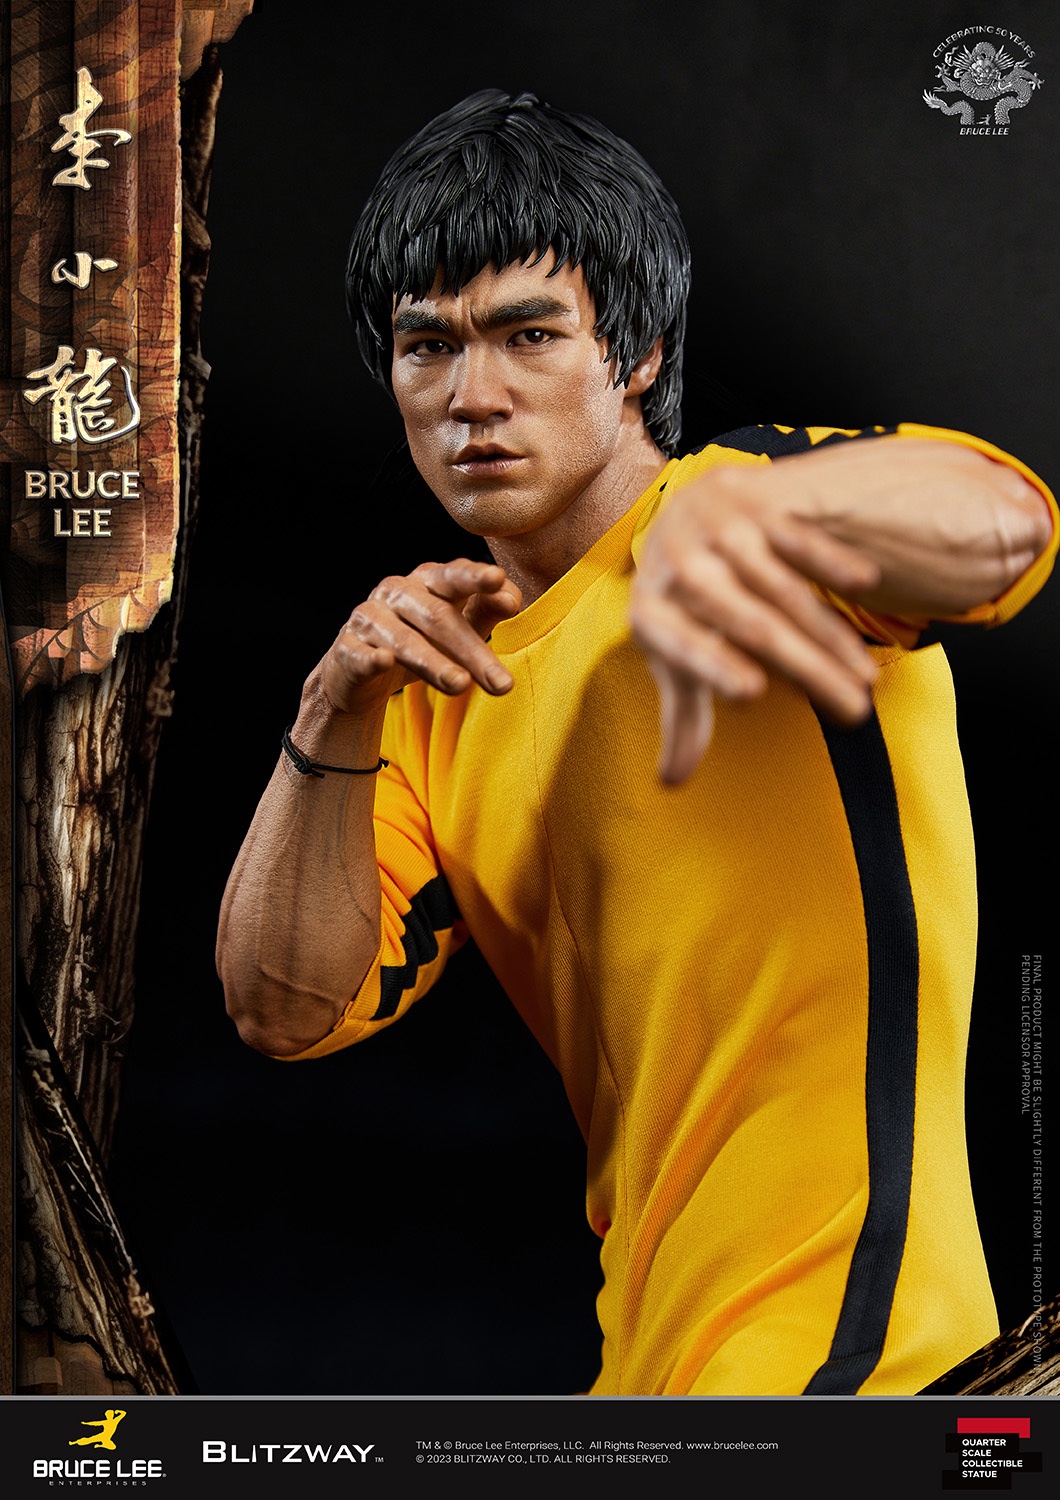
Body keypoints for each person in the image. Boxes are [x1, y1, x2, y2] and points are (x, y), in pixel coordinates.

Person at [216, 90, 1056, 1396]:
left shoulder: (739, 509)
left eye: (529, 335)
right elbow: (281, 1006)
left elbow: (1003, 526)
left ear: (641, 353)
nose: (473, 396)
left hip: (859, 1375)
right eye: (427, 346)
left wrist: (766, 521)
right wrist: (330, 709)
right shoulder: (431, 689)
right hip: (647, 1380)